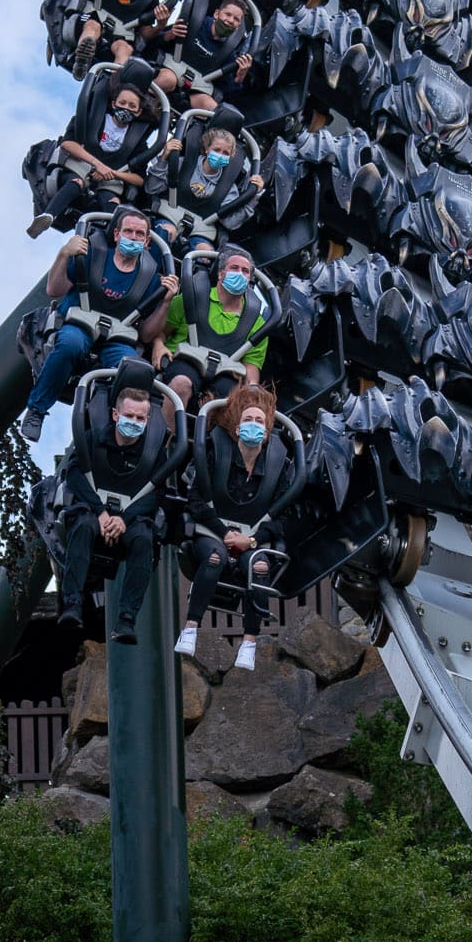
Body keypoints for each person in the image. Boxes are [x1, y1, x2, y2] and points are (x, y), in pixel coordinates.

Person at [20, 207, 177, 442]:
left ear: (146, 242)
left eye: (138, 235)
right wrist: (64, 255)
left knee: (134, 369)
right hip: (80, 325)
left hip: (118, 337)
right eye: (128, 232)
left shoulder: (151, 278)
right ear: (116, 235)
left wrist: (165, 303)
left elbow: (145, 335)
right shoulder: (94, 254)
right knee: (70, 344)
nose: (132, 238)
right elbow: (54, 290)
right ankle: (37, 410)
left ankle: (113, 429)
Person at [173, 385, 293, 672]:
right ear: (238, 429)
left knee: (260, 568)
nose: (253, 425)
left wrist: (251, 540)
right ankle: (191, 627)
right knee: (214, 558)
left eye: (259, 422)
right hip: (213, 533)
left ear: (266, 434)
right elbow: (196, 501)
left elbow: (282, 516)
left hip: (251, 539)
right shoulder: (217, 454)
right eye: (248, 420)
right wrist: (225, 533)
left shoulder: (277, 468)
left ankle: (249, 642)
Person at [55, 367, 174, 646]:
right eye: (129, 416)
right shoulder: (95, 437)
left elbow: (157, 493)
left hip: (130, 521)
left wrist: (125, 518)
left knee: (145, 538)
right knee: (82, 525)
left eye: (140, 418)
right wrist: (100, 512)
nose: (134, 422)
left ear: (147, 419)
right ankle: (72, 604)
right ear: (115, 415)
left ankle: (126, 620)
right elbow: (74, 474)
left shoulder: (152, 450)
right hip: (93, 512)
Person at [27, 61, 166, 235]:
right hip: (80, 167)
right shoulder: (93, 118)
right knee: (76, 183)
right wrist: (96, 164)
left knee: (113, 201)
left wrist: (113, 173)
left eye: (132, 106)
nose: (126, 109)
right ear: (113, 103)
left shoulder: (137, 140)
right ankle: (48, 216)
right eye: (122, 103)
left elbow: (139, 179)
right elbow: (68, 143)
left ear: (138, 112)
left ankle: (113, 239)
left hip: (110, 178)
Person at [159, 243, 270, 409]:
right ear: (220, 274)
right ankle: (168, 433)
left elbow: (251, 366)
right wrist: (158, 344)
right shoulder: (193, 297)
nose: (239, 274)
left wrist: (251, 390)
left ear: (249, 280)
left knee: (227, 401)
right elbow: (162, 331)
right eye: (234, 268)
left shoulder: (256, 322)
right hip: (185, 361)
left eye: (245, 271)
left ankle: (208, 435)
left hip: (225, 372)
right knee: (181, 384)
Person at [146, 119, 263, 252]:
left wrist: (253, 197)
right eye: (216, 150)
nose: (220, 155)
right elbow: (152, 188)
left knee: (205, 254)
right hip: (169, 215)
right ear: (206, 149)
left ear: (231, 157)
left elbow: (231, 223)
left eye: (225, 153)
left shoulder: (228, 188)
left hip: (202, 229)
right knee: (167, 233)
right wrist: (164, 159)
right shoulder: (183, 164)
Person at [153, 0, 255, 113]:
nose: (230, 20)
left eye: (236, 19)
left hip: (195, 90)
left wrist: (240, 76)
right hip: (172, 70)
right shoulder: (194, 24)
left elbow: (228, 92)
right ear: (217, 14)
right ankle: (146, 106)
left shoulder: (228, 51)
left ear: (238, 26)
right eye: (228, 14)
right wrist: (170, 35)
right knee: (167, 80)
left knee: (212, 107)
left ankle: (191, 129)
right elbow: (155, 43)